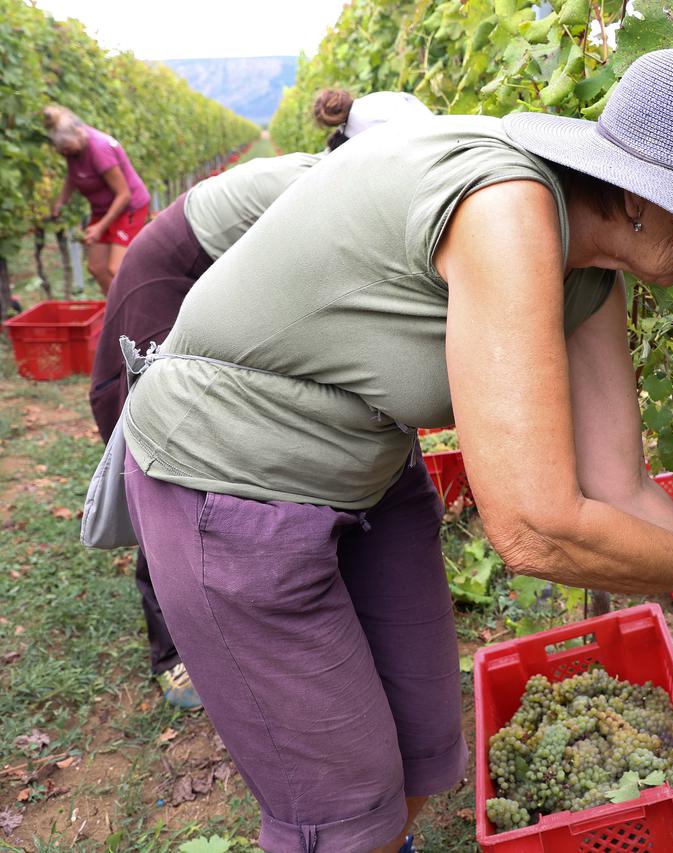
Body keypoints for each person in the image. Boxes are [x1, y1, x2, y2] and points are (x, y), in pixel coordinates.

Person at [119, 49, 673, 853]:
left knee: (422, 753)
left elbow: (616, 481)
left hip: (365, 470)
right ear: (637, 197)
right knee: (342, 810)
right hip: (228, 490)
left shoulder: (591, 268)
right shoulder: (507, 210)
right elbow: (534, 527)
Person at [88, 89, 432, 711]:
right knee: (170, 462)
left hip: (209, 286)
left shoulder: (353, 183)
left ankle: (275, 592)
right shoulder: (327, 187)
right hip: (168, 286)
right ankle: (173, 653)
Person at [44, 106, 151, 295]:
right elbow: (73, 175)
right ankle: (116, 312)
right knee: (97, 267)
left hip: (129, 208)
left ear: (78, 135)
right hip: (103, 210)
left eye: (67, 149)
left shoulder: (100, 150)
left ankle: (140, 308)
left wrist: (100, 227)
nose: (65, 154)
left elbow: (124, 194)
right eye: (62, 151)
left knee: (116, 269)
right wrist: (61, 201)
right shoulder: (73, 148)